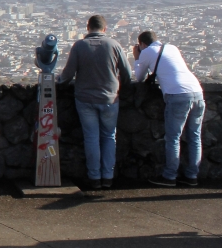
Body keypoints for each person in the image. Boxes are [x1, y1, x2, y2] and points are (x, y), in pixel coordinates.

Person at [57, 15, 133, 189]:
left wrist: (58, 80)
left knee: (91, 137)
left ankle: (94, 178)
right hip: (109, 98)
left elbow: (67, 74)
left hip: (85, 98)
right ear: (104, 29)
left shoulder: (80, 46)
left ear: (88, 27)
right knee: (109, 136)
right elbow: (127, 73)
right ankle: (108, 176)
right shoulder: (114, 45)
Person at [134, 31, 206, 187]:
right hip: (197, 92)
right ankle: (192, 176)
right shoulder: (172, 47)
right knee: (194, 137)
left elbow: (139, 77)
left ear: (142, 44)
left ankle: (170, 176)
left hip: (177, 95)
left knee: (173, 138)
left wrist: (137, 57)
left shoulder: (146, 51)